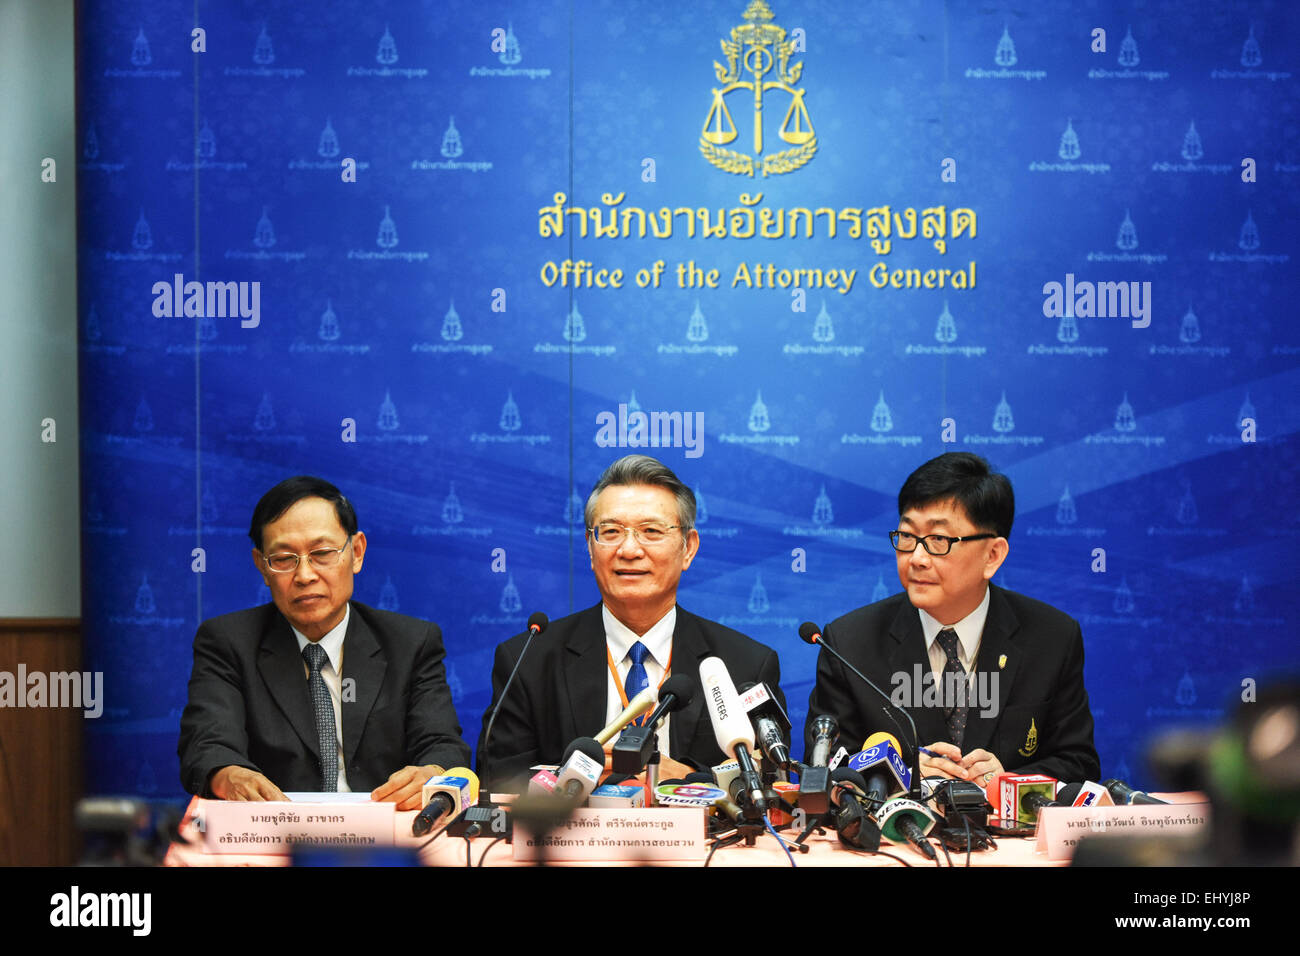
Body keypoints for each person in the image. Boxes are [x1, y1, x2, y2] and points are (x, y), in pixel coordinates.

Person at [476, 455, 786, 790]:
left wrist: (685, 782)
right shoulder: (529, 660)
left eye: (650, 531)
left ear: (688, 549)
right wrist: (573, 781)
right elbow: (499, 782)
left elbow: (773, 785)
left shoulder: (745, 665)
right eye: (610, 532)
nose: (628, 549)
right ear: (590, 548)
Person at [805, 452, 1100, 788]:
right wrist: (901, 773)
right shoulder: (849, 643)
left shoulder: (1051, 638)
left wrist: (1010, 782)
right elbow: (824, 766)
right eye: (907, 536)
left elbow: (1080, 763)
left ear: (992, 555)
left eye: (938, 541)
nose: (916, 558)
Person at [178, 476, 470, 808]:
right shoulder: (228, 643)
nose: (304, 575)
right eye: (284, 559)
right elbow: (206, 745)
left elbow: (444, 745)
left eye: (321, 553)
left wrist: (431, 772)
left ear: (356, 552)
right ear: (261, 566)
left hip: (386, 833)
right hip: (277, 833)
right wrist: (228, 774)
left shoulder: (411, 643)